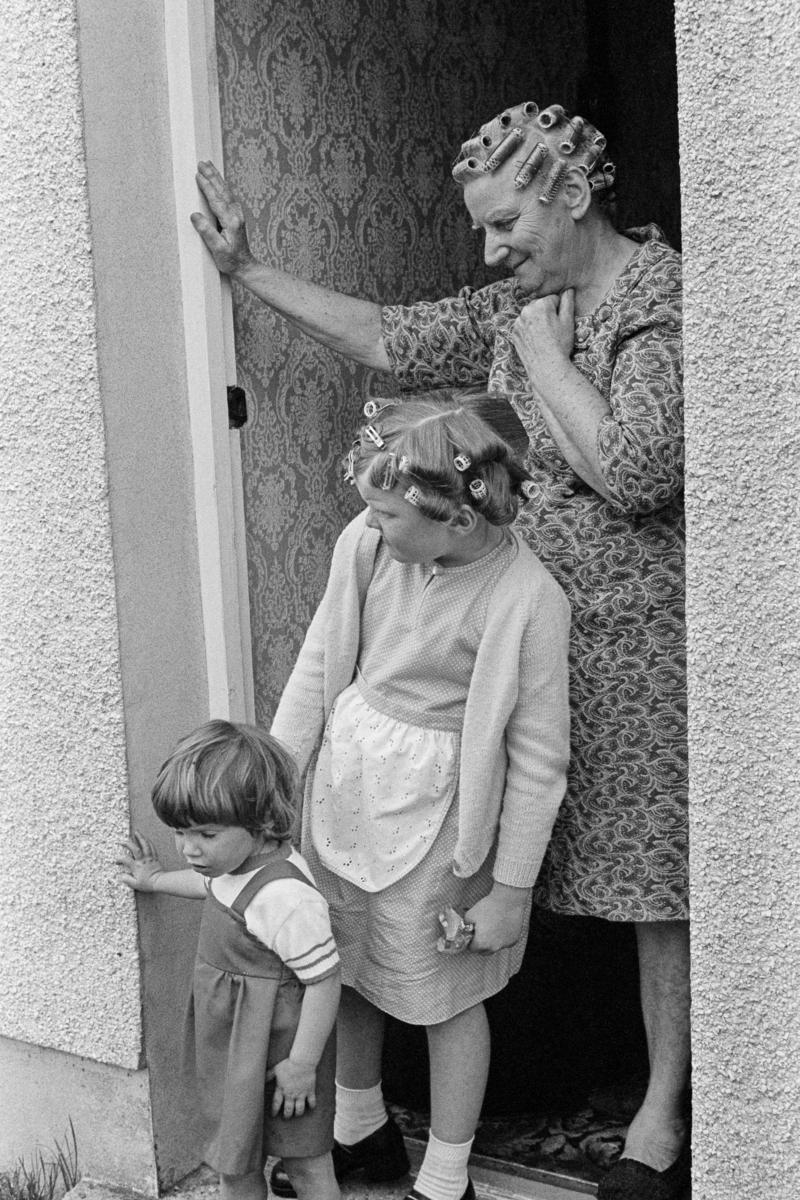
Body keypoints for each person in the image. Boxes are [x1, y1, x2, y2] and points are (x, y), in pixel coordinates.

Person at [191, 98, 689, 1200]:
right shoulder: (519, 299)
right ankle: (465, 1099)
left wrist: (535, 357)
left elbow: (638, 470)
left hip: (629, 643)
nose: (490, 249)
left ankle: (655, 1118)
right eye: (481, 229)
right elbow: (387, 336)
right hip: (486, 649)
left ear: (570, 194)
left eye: (506, 222)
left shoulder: (655, 300)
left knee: (652, 886)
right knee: (471, 867)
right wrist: (247, 274)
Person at [265, 398, 570, 1200]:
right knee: (351, 963)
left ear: (458, 522)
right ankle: (360, 1132)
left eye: (389, 511)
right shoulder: (367, 546)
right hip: (350, 788)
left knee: (443, 994)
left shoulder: (528, 598)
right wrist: (273, 781)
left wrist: (510, 891)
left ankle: (445, 1176)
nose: (371, 521)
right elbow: (318, 659)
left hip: (443, 824)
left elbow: (539, 762)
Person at [117, 720, 341, 1200]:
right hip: (234, 1049)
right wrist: (155, 880)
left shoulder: (286, 897)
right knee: (234, 1166)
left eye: (205, 834)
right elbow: (210, 888)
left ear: (260, 821)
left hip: (284, 1054)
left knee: (306, 1166)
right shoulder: (230, 865)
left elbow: (325, 982)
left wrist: (302, 1064)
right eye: (179, 832)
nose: (188, 848)